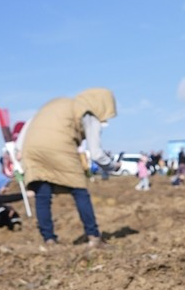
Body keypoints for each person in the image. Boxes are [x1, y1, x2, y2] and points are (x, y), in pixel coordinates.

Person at [17, 87, 118, 248]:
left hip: (31, 149)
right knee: (80, 190)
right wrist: (113, 166)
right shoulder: (87, 112)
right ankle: (93, 236)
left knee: (42, 196)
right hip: (59, 148)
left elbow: (29, 125)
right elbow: (96, 154)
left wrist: (19, 150)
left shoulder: (56, 104)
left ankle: (48, 239)